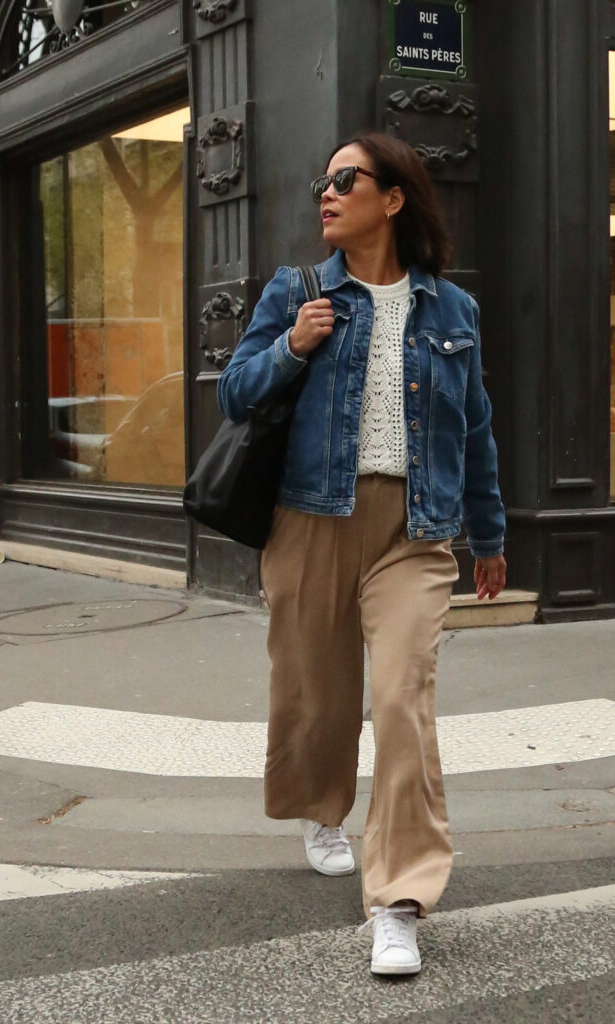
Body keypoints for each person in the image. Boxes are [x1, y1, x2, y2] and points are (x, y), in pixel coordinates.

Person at [216, 131, 507, 977]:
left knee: (401, 699)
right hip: (310, 517)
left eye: (347, 178)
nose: (328, 191)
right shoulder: (295, 292)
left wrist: (487, 536)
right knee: (318, 695)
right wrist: (291, 346)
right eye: (324, 180)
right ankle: (322, 808)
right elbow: (234, 391)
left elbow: (475, 429)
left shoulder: (453, 311)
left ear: (393, 198)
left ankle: (399, 900)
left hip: (414, 532)